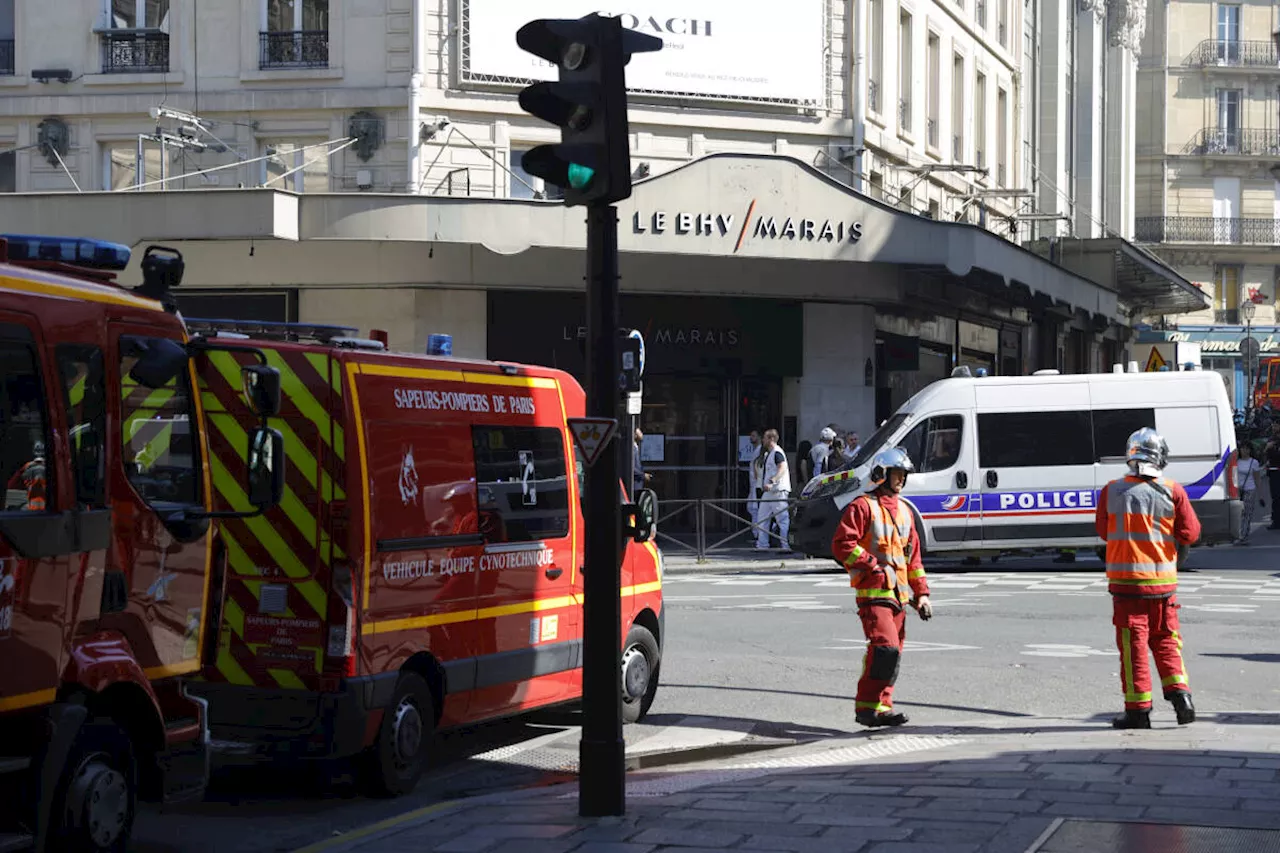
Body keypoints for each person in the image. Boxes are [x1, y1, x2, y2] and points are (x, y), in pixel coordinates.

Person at [1096, 428, 1201, 730]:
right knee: (1167, 641)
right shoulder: (1173, 490)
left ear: (1131, 456)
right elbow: (1190, 533)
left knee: (1134, 649)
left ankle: (1138, 711)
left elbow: (1104, 531)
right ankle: (1182, 699)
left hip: (1128, 586)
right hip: (1163, 587)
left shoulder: (1112, 490)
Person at [830, 447, 932, 728]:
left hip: (899, 596)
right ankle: (867, 707)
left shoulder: (905, 512)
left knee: (892, 654)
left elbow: (913, 558)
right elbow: (842, 545)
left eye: (903, 475)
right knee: (885, 649)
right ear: (880, 475)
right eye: (896, 473)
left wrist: (922, 594)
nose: (900, 479)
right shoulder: (862, 506)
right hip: (873, 595)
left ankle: (879, 708)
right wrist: (871, 565)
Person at [755, 429, 792, 550]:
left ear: (771, 439)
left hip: (777, 491)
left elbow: (782, 467)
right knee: (762, 517)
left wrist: (772, 481)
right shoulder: (770, 453)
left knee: (782, 519)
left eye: (765, 438)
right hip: (769, 492)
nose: (763, 440)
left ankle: (785, 545)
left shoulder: (777, 452)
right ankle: (762, 544)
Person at [6, 440, 47, 512]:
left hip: (32, 509)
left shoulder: (26, 467)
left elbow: (11, 486)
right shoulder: (56, 468)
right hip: (50, 510)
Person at [1236, 441, 1263, 545]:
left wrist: (1260, 495)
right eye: (1242, 448)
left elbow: (1257, 479)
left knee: (1247, 512)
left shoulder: (1254, 462)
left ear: (1250, 450)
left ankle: (1244, 534)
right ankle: (1239, 532)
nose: (1244, 451)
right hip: (1238, 490)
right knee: (1239, 513)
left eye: (1247, 449)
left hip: (1250, 489)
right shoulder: (1236, 461)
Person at [632, 428, 651, 495]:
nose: (641, 434)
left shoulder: (636, 447)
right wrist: (643, 475)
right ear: (634, 434)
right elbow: (631, 468)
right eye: (639, 431)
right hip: (633, 487)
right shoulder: (631, 448)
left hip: (637, 486)